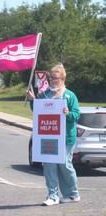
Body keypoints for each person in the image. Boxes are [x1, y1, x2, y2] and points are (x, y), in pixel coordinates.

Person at [25, 63, 80, 206]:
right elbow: (38, 110)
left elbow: (76, 115)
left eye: (55, 78)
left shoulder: (70, 96)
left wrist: (68, 113)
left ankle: (72, 194)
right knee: (49, 165)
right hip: (48, 137)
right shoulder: (45, 94)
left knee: (65, 166)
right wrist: (32, 100)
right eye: (51, 78)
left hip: (65, 138)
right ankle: (53, 195)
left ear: (62, 79)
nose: (52, 81)